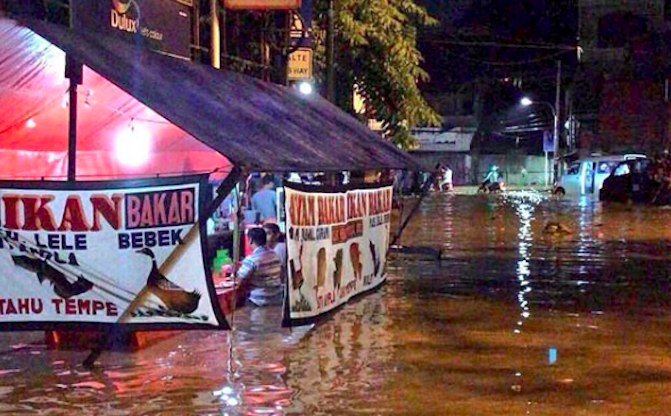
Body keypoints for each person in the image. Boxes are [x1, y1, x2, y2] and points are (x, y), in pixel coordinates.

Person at [237, 227, 284, 307]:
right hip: (278, 299)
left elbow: (239, 281)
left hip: (259, 301)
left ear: (251, 240)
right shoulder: (275, 255)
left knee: (239, 303)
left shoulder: (251, 259)